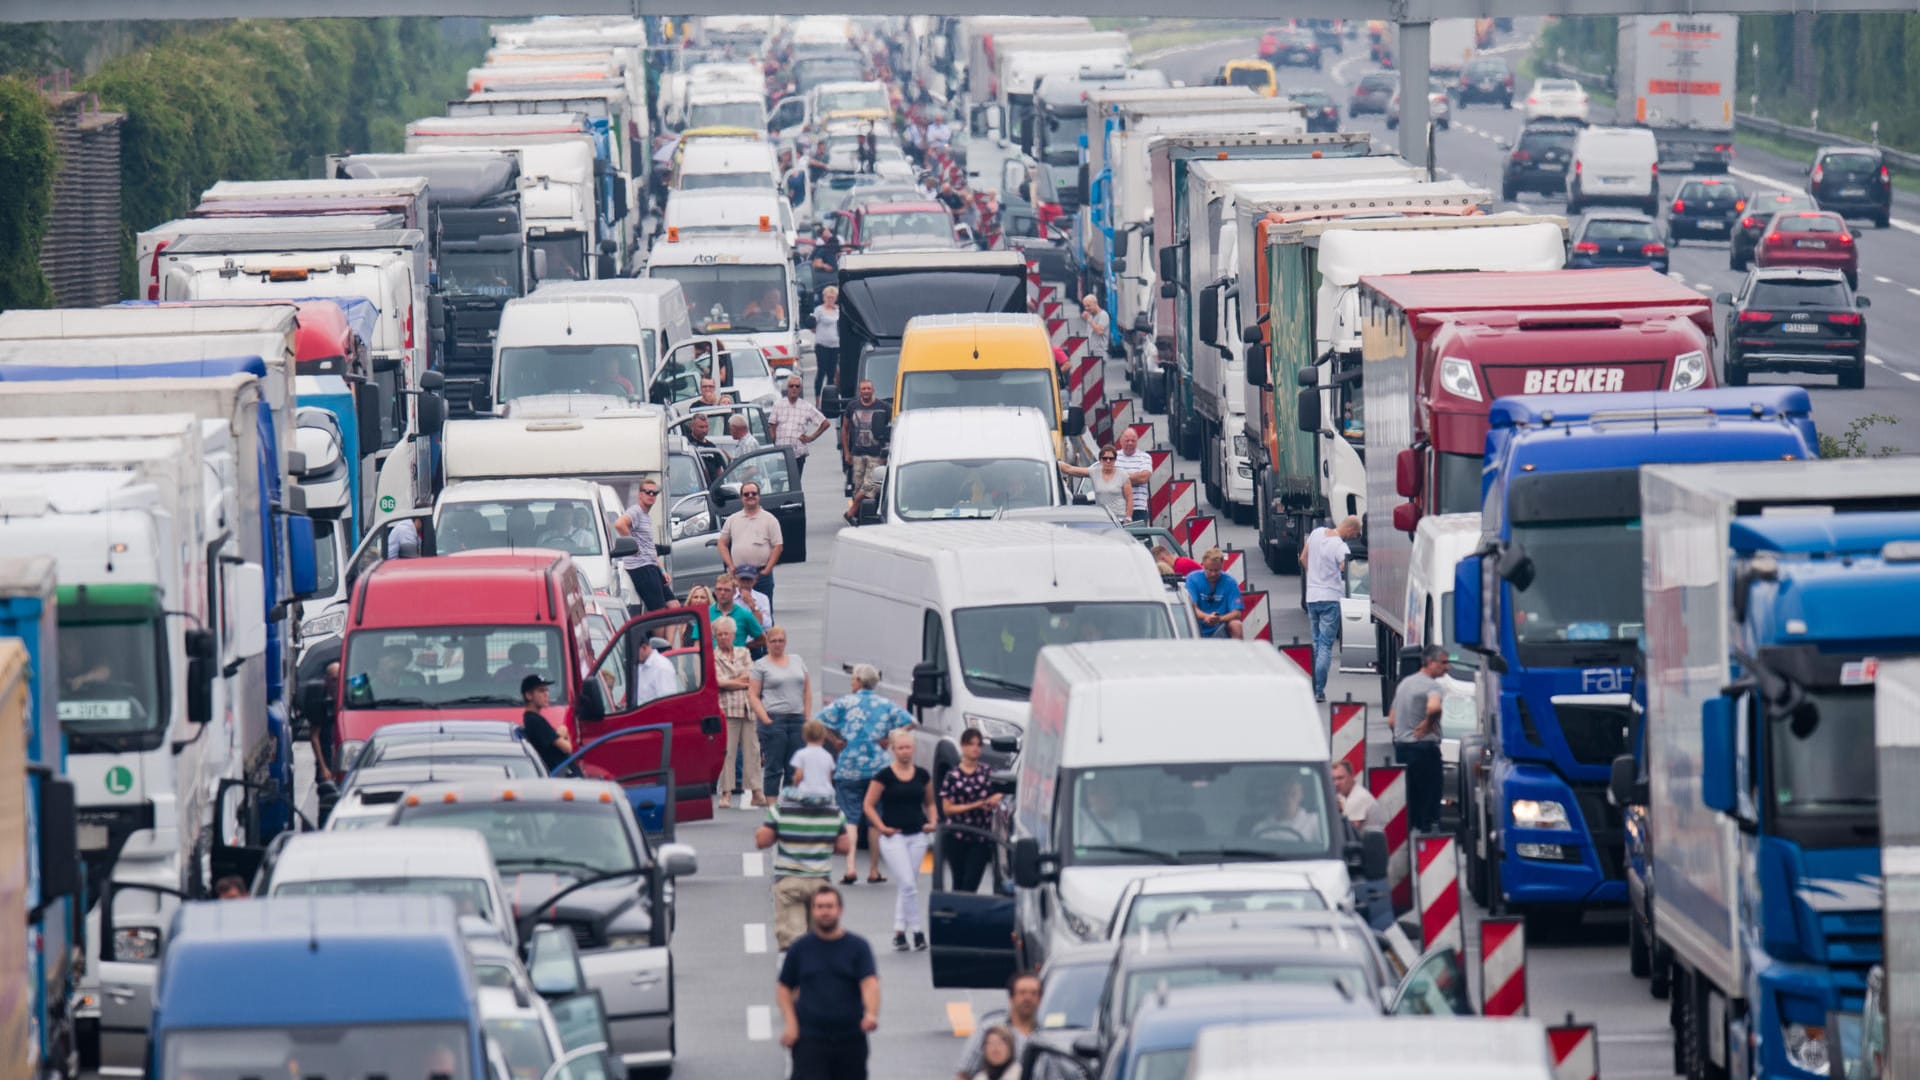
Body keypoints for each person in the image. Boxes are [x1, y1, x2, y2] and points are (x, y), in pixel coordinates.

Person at [817, 664, 912, 885]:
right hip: (877, 768)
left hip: (849, 765)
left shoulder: (844, 703)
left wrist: (835, 740)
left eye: (853, 679)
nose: (851, 683)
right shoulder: (884, 704)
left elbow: (819, 720)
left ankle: (850, 867)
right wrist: (890, 738)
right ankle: (873, 869)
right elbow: (910, 722)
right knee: (874, 818)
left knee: (850, 818)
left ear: (860, 681)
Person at [776, 886, 879, 1080]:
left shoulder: (858, 947)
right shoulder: (800, 949)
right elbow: (784, 987)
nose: (825, 912)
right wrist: (791, 1023)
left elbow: (869, 982)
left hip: (850, 1038)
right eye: (820, 907)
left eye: (829, 906)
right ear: (813, 911)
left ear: (840, 910)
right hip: (810, 1039)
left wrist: (871, 1014)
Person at [862, 728, 937, 951]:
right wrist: (881, 827)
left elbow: (930, 802)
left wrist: (932, 821)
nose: (905, 752)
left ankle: (899, 932)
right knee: (907, 883)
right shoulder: (884, 776)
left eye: (908, 748)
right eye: (901, 748)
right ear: (893, 750)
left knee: (909, 885)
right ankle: (917, 931)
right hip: (893, 837)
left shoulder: (922, 775)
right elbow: (868, 804)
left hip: (917, 836)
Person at [756, 778, 851, 951]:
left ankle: (796, 973)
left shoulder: (782, 809)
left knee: (793, 944)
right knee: (820, 942)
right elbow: (844, 847)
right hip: (820, 883)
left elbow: (763, 841)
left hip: (789, 882)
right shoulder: (834, 812)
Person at [1301, 516, 1361, 701]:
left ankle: (1312, 686)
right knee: (1326, 645)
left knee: (1316, 643)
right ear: (1350, 530)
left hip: (1312, 596)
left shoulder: (1316, 533)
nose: (1353, 537)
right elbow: (1349, 570)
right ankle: (1318, 690)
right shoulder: (1340, 547)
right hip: (1331, 598)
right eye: (1355, 534)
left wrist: (1315, 579)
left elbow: (1303, 558)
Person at [1391, 645, 1448, 833]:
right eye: (1443, 663)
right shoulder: (1432, 686)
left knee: (1409, 799)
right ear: (1430, 663)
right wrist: (1428, 724)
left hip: (1402, 748)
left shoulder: (1405, 684)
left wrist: (1402, 731)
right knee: (1428, 802)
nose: (1447, 668)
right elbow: (1434, 708)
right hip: (1424, 751)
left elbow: (1392, 719)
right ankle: (1426, 843)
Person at [938, 728, 1000, 893]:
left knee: (971, 883)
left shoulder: (988, 772)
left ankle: (966, 912)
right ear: (962, 746)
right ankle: (958, 916)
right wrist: (976, 805)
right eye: (971, 744)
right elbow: (947, 809)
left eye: (979, 744)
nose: (975, 748)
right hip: (957, 835)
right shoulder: (953, 776)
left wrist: (996, 797)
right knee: (958, 882)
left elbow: (1003, 789)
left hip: (980, 836)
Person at [752, 625, 812, 796]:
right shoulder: (761, 665)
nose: (777, 644)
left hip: (797, 718)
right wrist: (764, 718)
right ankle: (772, 806)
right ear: (768, 643)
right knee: (774, 766)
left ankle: (789, 802)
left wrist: (807, 716)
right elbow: (754, 694)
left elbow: (807, 689)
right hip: (774, 719)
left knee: (794, 767)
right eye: (773, 641)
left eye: (781, 641)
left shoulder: (797, 660)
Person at [714, 616, 764, 809]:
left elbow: (751, 676)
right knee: (728, 752)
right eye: (720, 634)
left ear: (733, 635)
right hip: (727, 708)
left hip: (747, 707)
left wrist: (731, 681)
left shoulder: (743, 652)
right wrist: (738, 681)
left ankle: (756, 792)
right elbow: (719, 682)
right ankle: (726, 793)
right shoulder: (714, 656)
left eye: (726, 634)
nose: (723, 637)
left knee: (752, 750)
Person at [953, 973, 1040, 1080]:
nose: (1028, 998)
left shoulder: (1049, 1032)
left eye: (1034, 993)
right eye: (1022, 993)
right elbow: (964, 1074)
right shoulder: (989, 1028)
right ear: (1011, 997)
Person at [719, 481, 785, 602]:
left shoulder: (770, 519)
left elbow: (778, 546)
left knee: (764, 613)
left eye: (753, 493)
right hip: (738, 575)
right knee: (737, 613)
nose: (750, 496)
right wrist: (730, 565)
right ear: (741, 497)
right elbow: (722, 543)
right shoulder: (732, 519)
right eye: (746, 494)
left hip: (761, 575)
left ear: (759, 496)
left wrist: (767, 570)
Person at [613, 482, 670, 612]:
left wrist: (662, 571)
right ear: (640, 494)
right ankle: (658, 633)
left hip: (651, 565)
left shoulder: (646, 516)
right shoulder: (636, 511)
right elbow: (619, 524)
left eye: (654, 493)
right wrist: (634, 545)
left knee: (674, 606)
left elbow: (650, 547)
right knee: (658, 611)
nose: (651, 495)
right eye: (647, 492)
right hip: (641, 567)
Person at [842, 380, 890, 523]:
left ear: (873, 389)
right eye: (863, 389)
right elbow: (845, 429)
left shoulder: (884, 407)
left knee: (870, 486)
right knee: (858, 488)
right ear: (859, 391)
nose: (866, 391)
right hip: (857, 454)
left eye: (868, 388)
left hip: (876, 455)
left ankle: (850, 513)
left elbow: (890, 428)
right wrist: (846, 452)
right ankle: (860, 518)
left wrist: (887, 451)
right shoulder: (852, 406)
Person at [772, 375, 832, 477]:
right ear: (787, 388)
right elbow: (772, 425)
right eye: (791, 386)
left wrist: (811, 437)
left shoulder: (806, 406)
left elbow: (825, 423)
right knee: (781, 484)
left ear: (800, 389)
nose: (794, 388)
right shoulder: (778, 405)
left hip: (798, 454)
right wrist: (773, 444)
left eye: (797, 386)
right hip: (781, 454)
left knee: (795, 485)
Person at [1056, 445, 1132, 522]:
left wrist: (1128, 518)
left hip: (1120, 519)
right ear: (1100, 460)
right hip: (1102, 519)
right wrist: (1053, 462)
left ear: (1115, 460)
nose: (1108, 461)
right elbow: (1070, 469)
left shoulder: (1122, 475)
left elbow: (1129, 498)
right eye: (1105, 458)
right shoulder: (1094, 472)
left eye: (1111, 458)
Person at [1185, 548, 1245, 639]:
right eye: (1209, 570)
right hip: (1197, 625)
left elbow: (1237, 612)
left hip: (1221, 626)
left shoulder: (1230, 582)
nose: (1213, 574)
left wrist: (1219, 619)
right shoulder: (1192, 579)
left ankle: (1237, 651)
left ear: (1222, 566)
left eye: (1216, 570)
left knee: (1236, 624)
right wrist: (1206, 617)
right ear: (1203, 566)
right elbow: (1192, 608)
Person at [1245, 773, 1322, 844]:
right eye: (1284, 794)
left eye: (1293, 794)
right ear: (1277, 796)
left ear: (1301, 796)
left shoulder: (1314, 822)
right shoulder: (1260, 829)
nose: (1288, 799)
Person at [519, 675, 573, 774]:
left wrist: (560, 733)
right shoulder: (535, 721)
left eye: (546, 690)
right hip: (558, 775)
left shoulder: (534, 719)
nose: (546, 694)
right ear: (529, 695)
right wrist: (564, 733)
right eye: (541, 691)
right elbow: (567, 748)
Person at [711, 575, 767, 654]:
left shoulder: (744, 614)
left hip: (737, 662)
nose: (722, 593)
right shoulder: (706, 613)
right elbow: (697, 641)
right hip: (713, 661)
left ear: (734, 592)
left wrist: (744, 646)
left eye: (727, 590)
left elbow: (762, 639)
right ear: (715, 591)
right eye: (719, 589)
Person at [1078, 776, 1142, 845]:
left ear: (1117, 796)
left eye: (1108, 792)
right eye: (1094, 793)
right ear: (1088, 797)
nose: (1101, 797)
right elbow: (1077, 851)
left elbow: (1133, 848)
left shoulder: (1129, 817)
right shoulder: (1080, 817)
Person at [808, 285, 843, 402]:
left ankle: (829, 400)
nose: (830, 300)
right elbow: (812, 325)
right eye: (828, 297)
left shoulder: (838, 310)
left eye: (832, 297)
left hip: (835, 345)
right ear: (824, 297)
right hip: (822, 345)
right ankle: (817, 400)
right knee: (821, 371)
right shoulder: (819, 310)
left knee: (831, 373)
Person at [1112, 427, 1154, 523]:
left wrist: (1119, 478)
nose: (1130, 443)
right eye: (1127, 440)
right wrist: (1134, 479)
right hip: (1117, 509)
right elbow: (1108, 477)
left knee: (1140, 537)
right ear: (1121, 441)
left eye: (1133, 441)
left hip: (1139, 509)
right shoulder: (1113, 457)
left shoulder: (1145, 457)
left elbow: (1143, 478)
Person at [789, 719, 838, 800]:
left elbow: (798, 776)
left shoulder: (801, 754)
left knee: (787, 792)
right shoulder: (828, 755)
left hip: (806, 793)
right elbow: (829, 777)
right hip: (825, 794)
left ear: (804, 736)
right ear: (823, 736)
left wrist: (795, 786)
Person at [632, 636, 680, 706]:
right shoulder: (640, 666)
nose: (632, 656)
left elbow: (667, 704)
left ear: (644, 647)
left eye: (633, 652)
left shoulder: (662, 667)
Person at [1332, 760, 1380, 830]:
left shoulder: (1358, 798)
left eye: (1340, 778)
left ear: (1351, 776)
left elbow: (1348, 833)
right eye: (1333, 779)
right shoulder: (1344, 795)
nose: (1336, 783)